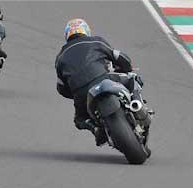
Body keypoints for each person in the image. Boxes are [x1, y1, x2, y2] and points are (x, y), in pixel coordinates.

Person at [55, 18, 135, 146]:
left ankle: (95, 128)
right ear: (86, 31)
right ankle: (137, 104)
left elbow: (61, 88)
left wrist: (75, 93)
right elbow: (119, 57)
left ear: (67, 35)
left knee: (80, 119)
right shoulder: (96, 41)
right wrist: (127, 68)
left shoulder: (60, 56)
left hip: (81, 93)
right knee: (132, 78)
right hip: (103, 78)